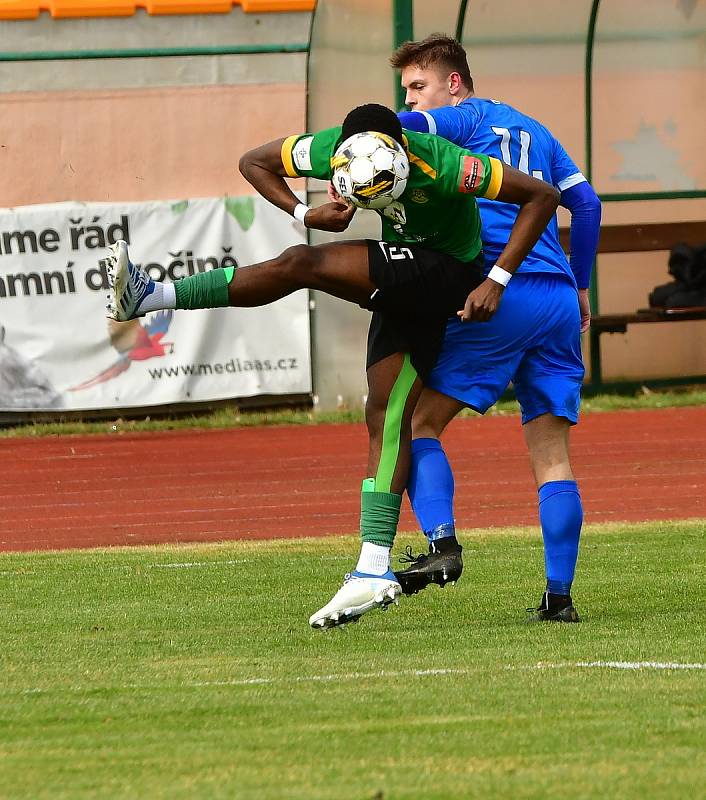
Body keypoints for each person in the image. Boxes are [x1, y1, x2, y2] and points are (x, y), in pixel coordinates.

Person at [105, 103, 560, 629]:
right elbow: (253, 162)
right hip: (405, 274)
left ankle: (151, 295)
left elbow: (542, 196)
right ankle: (373, 567)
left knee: (303, 263)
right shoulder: (328, 149)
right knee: (385, 418)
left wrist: (496, 281)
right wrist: (303, 213)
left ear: (403, 157)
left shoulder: (448, 162)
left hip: (448, 272)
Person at [387, 34, 602, 622]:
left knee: (418, 422)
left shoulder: (457, 120)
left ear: (453, 84)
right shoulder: (536, 129)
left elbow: (398, 129)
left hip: (501, 290)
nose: (412, 99)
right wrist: (580, 285)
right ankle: (559, 597)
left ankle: (443, 544)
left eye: (418, 85)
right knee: (552, 453)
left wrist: (370, 128)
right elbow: (587, 208)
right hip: (557, 298)